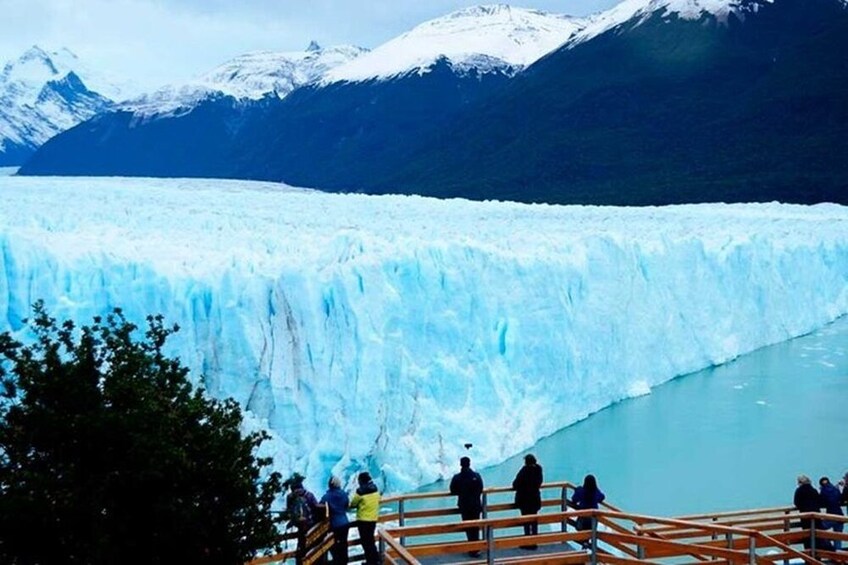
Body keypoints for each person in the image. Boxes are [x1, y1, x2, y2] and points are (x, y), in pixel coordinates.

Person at [450, 456, 484, 557]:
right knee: (475, 526)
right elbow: (481, 488)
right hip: (476, 505)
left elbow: (453, 490)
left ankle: (472, 548)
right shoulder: (476, 476)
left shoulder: (457, 477)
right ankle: (476, 548)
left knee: (468, 527)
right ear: (469, 463)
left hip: (464, 506)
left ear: (461, 464)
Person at [285, 472, 321, 564]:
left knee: (302, 546)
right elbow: (316, 506)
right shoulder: (309, 495)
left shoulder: (290, 497)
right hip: (310, 524)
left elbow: (289, 511)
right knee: (311, 546)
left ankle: (302, 561)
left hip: (301, 526)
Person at [512, 454, 544, 549]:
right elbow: (540, 482)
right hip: (535, 499)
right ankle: (534, 542)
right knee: (534, 520)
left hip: (525, 500)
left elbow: (515, 484)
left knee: (526, 521)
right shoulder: (538, 469)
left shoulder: (524, 470)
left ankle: (528, 542)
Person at [349, 471, 380, 565]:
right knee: (371, 541)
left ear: (361, 481)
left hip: (363, 520)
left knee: (366, 543)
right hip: (373, 519)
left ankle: (371, 562)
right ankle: (375, 560)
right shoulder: (375, 488)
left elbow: (353, 504)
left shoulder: (360, 491)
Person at [320, 475, 350, 564]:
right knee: (344, 544)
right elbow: (347, 505)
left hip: (334, 524)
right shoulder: (344, 494)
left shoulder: (327, 496)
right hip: (345, 522)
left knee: (334, 545)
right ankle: (344, 562)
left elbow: (320, 506)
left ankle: (337, 562)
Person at [571, 474, 605, 544]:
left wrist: (577, 490)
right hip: (592, 520)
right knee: (590, 534)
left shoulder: (581, 491)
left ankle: (584, 543)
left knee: (582, 533)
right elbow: (602, 497)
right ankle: (587, 544)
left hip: (582, 519)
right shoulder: (595, 492)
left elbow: (574, 499)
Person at [794, 474, 823, 550]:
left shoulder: (799, 491)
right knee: (817, 535)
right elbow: (819, 501)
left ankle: (808, 554)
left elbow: (796, 503)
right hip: (816, 516)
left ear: (800, 482)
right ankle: (818, 553)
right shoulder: (813, 490)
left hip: (805, 516)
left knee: (807, 535)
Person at [819, 476, 844, 550]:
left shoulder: (823, 491)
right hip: (840, 516)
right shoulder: (836, 489)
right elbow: (840, 499)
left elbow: (821, 501)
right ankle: (839, 555)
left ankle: (829, 548)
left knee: (818, 530)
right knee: (838, 537)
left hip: (831, 516)